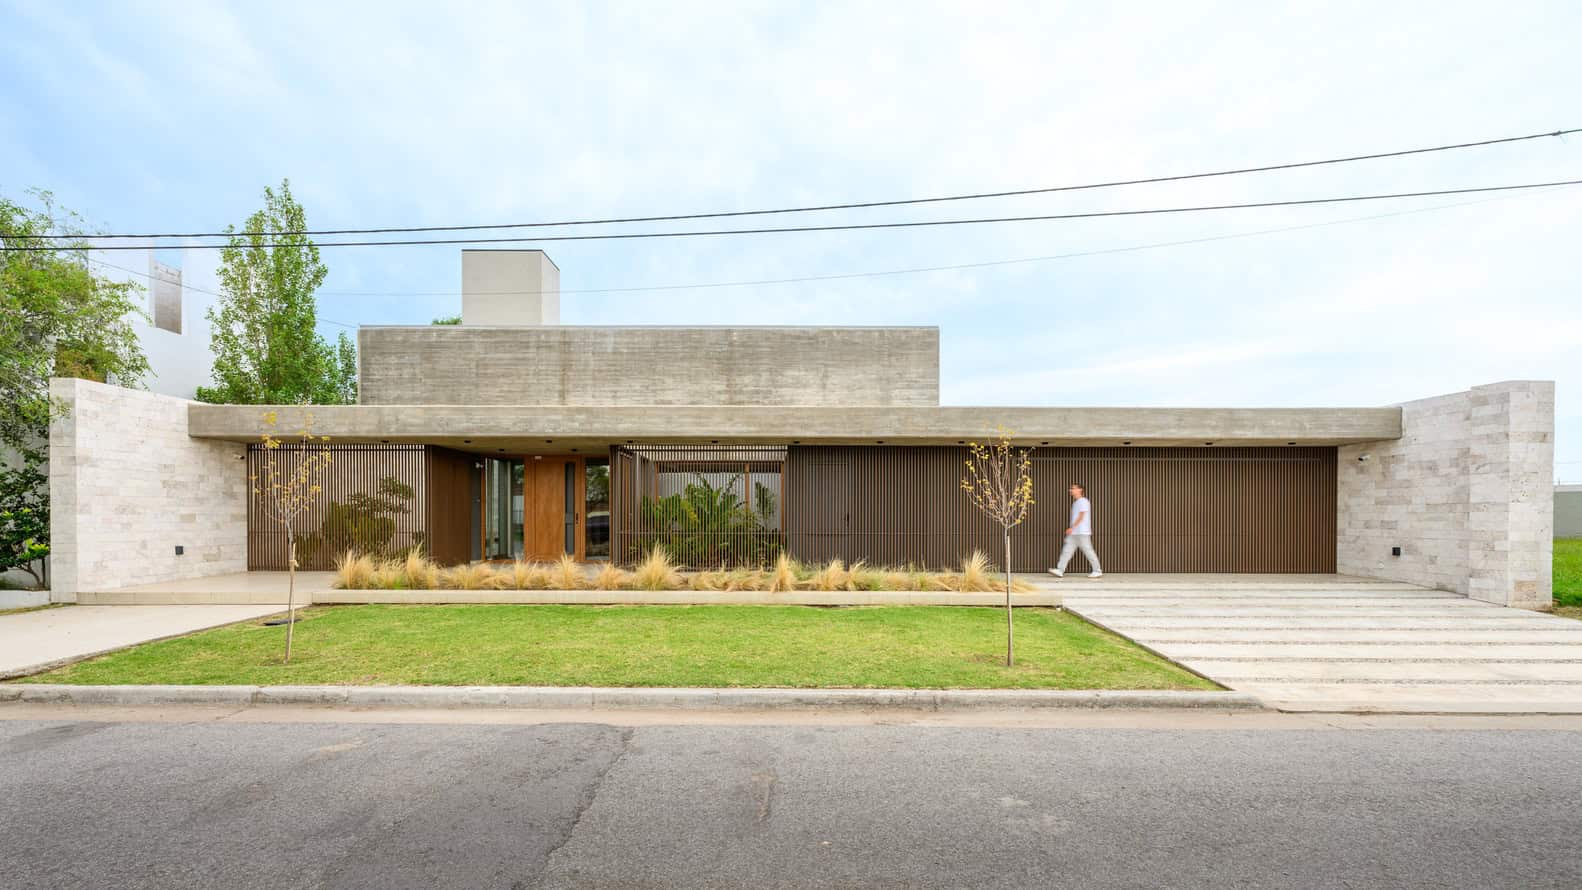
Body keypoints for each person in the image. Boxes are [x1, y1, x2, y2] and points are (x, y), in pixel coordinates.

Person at [1049, 482, 1103, 578]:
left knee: (1088, 551)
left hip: (1082, 532)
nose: (1070, 490)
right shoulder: (1076, 502)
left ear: (1080, 490)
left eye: (1073, 488)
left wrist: (1072, 527)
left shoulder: (1083, 501)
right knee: (1067, 551)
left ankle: (1097, 570)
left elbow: (1081, 515)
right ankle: (1060, 570)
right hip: (1075, 533)